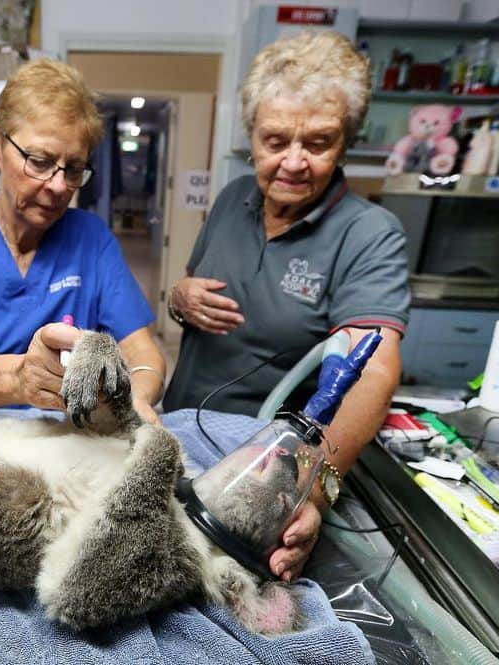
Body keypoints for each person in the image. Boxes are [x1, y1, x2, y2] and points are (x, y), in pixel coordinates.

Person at [162, 31, 410, 581]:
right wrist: (178, 298)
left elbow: (374, 370)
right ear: (251, 138)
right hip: (177, 434)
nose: (293, 163)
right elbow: (192, 287)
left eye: (318, 143)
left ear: (345, 142)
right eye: (275, 141)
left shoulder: (369, 235)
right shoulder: (231, 199)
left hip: (258, 472)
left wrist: (314, 491)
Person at [0, 60, 165, 424]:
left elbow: (145, 355)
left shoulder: (91, 239)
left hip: (64, 438)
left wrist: (138, 400)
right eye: (39, 162)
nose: (58, 187)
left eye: (72, 169)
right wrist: (19, 380)